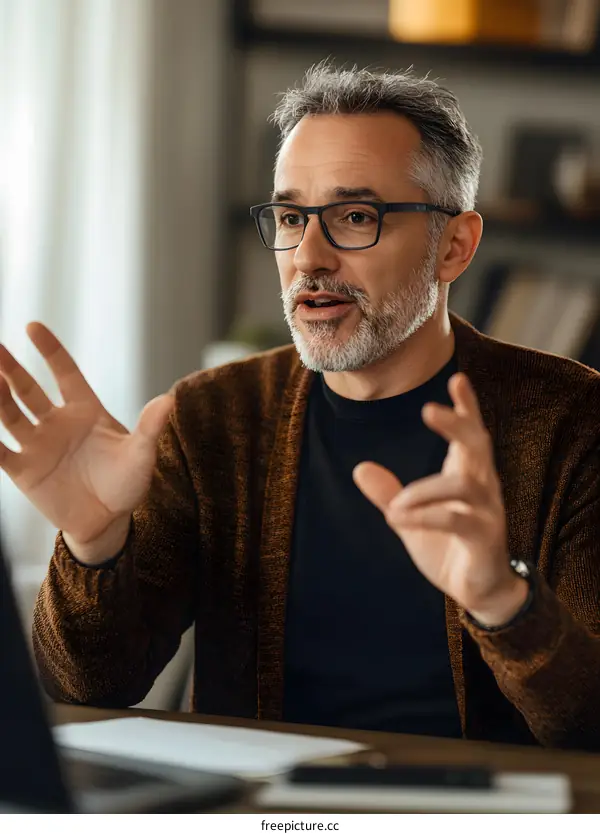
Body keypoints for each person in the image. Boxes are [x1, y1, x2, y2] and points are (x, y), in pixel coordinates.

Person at [2, 63, 600, 749]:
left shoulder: (572, 421)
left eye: (356, 217)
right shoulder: (211, 418)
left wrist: (503, 602)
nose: (309, 257)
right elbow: (87, 687)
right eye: (291, 217)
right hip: (256, 801)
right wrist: (96, 543)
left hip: (477, 799)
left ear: (454, 247)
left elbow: (591, 730)